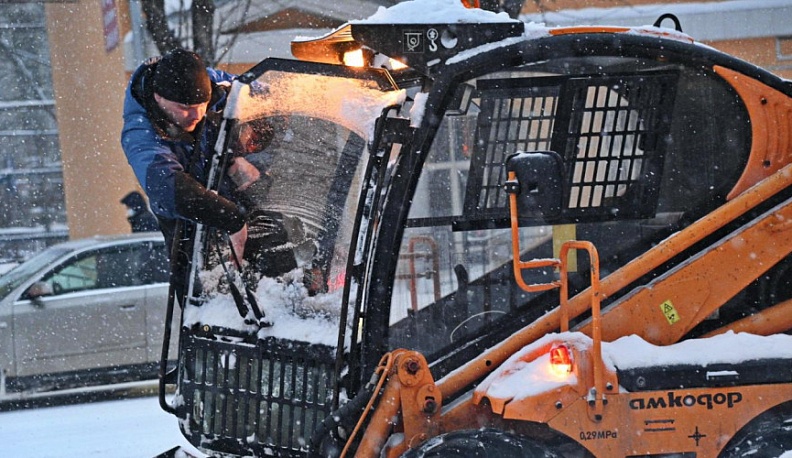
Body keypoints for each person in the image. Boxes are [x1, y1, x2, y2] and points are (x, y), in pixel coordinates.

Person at [121, 48, 260, 294]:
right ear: (158, 98)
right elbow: (167, 188)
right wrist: (232, 220)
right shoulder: (141, 134)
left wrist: (239, 146)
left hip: (245, 207)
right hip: (189, 232)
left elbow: (272, 100)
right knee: (205, 305)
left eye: (202, 104)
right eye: (184, 107)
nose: (196, 114)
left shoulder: (211, 82)